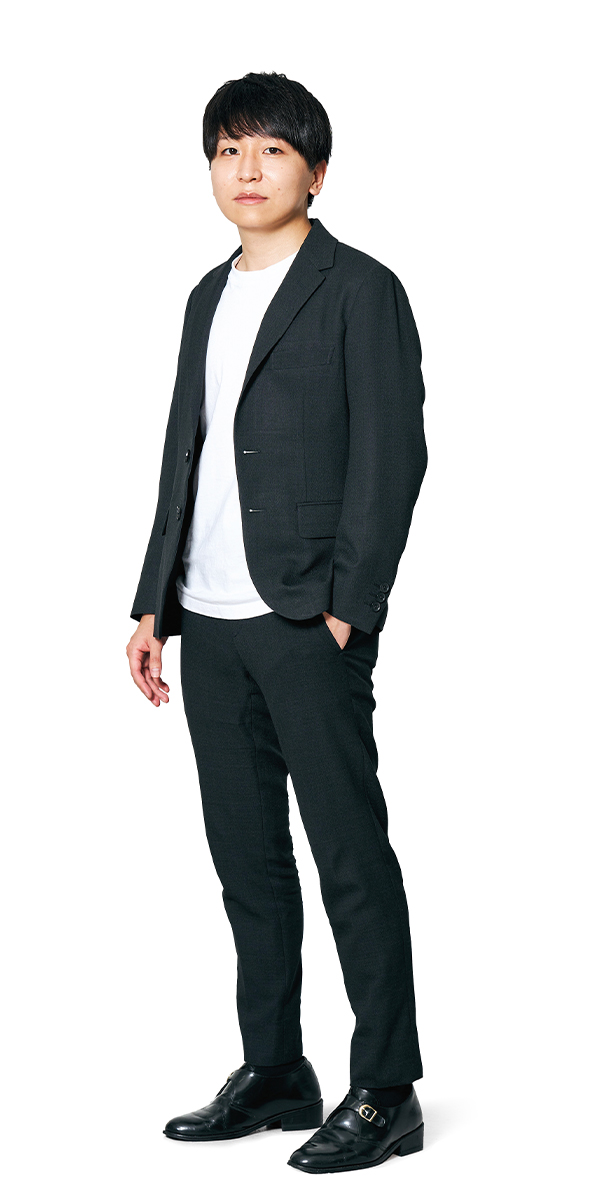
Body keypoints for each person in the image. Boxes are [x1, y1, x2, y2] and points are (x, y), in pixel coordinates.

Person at [126, 70, 428, 1174]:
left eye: (271, 151)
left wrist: (351, 608)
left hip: (307, 619)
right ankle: (276, 1070)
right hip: (209, 621)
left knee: (348, 855)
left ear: (316, 171)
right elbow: (186, 451)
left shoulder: (360, 289)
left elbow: (393, 457)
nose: (247, 170)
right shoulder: (205, 296)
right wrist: (152, 601)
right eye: (228, 151)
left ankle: (386, 1088)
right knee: (246, 861)